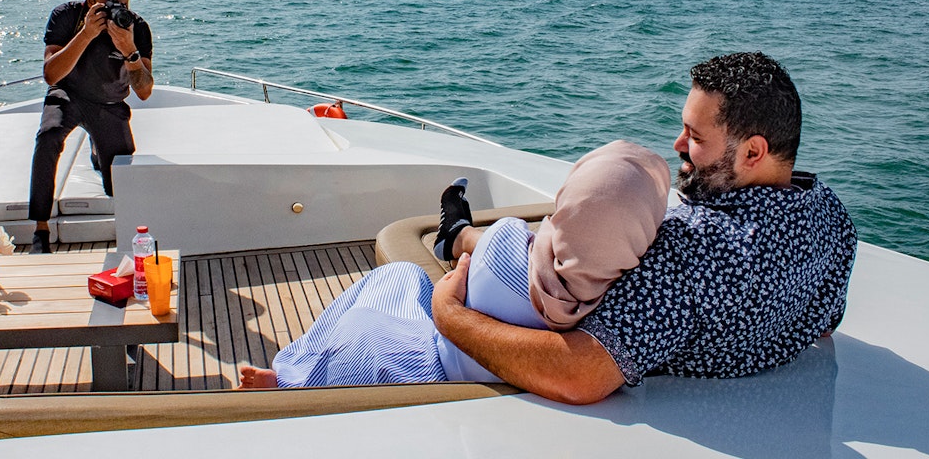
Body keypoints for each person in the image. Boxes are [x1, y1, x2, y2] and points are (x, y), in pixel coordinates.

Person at [431, 52, 857, 404]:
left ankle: (457, 236)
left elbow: (582, 374)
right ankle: (459, 235)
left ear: (752, 152)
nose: (678, 145)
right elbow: (825, 323)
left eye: (695, 136)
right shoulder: (832, 217)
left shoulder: (693, 250)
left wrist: (451, 318)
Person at [238, 140, 670, 389]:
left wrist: (456, 290)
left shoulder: (520, 270)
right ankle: (453, 230)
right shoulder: (621, 276)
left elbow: (465, 285)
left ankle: (289, 380)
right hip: (466, 346)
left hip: (433, 359)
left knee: (367, 319)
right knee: (401, 273)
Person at [26, 0, 153, 253]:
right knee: (48, 136)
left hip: (109, 103)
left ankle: (99, 152)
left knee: (117, 178)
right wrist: (85, 35)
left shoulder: (136, 27)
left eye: (121, 3)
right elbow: (51, 75)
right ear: (89, 0)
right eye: (106, 3)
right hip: (68, 94)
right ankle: (41, 228)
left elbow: (144, 91)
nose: (114, 9)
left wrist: (129, 51)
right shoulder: (66, 16)